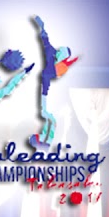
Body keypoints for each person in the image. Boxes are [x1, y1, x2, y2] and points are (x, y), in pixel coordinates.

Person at [30, 16, 78, 148]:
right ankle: (44, 141)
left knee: (49, 116)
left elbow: (46, 43)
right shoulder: (53, 55)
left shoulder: (61, 65)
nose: (60, 55)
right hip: (46, 88)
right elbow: (46, 42)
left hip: (50, 90)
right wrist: (42, 29)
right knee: (48, 115)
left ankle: (44, 141)